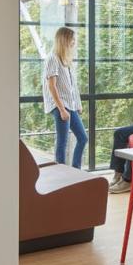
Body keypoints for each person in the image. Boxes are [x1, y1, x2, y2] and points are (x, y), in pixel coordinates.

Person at [43, 27, 88, 169]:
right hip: (60, 106)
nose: (74, 42)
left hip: (70, 106)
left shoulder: (66, 60)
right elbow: (52, 87)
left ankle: (75, 170)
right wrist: (62, 109)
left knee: (82, 138)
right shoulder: (52, 58)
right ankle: (60, 173)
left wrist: (78, 104)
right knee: (62, 142)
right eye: (72, 39)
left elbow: (73, 85)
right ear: (64, 40)